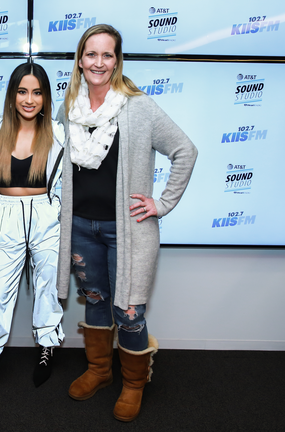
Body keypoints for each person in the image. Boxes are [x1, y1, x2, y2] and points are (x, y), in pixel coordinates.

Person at [56, 24, 197, 422]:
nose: (98, 62)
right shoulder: (69, 107)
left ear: (117, 60)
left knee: (130, 311)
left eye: (107, 54)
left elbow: (185, 150)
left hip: (129, 232)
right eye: (91, 54)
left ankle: (134, 383)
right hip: (81, 227)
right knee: (97, 301)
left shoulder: (139, 106)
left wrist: (162, 203)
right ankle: (100, 371)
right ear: (80, 60)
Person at [0, 62, 65, 404]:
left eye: (37, 92)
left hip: (46, 215)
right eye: (22, 91)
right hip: (7, 216)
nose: (29, 99)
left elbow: (66, 186)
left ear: (45, 97)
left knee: (47, 285)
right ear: (11, 96)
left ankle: (47, 346)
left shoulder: (58, 132)